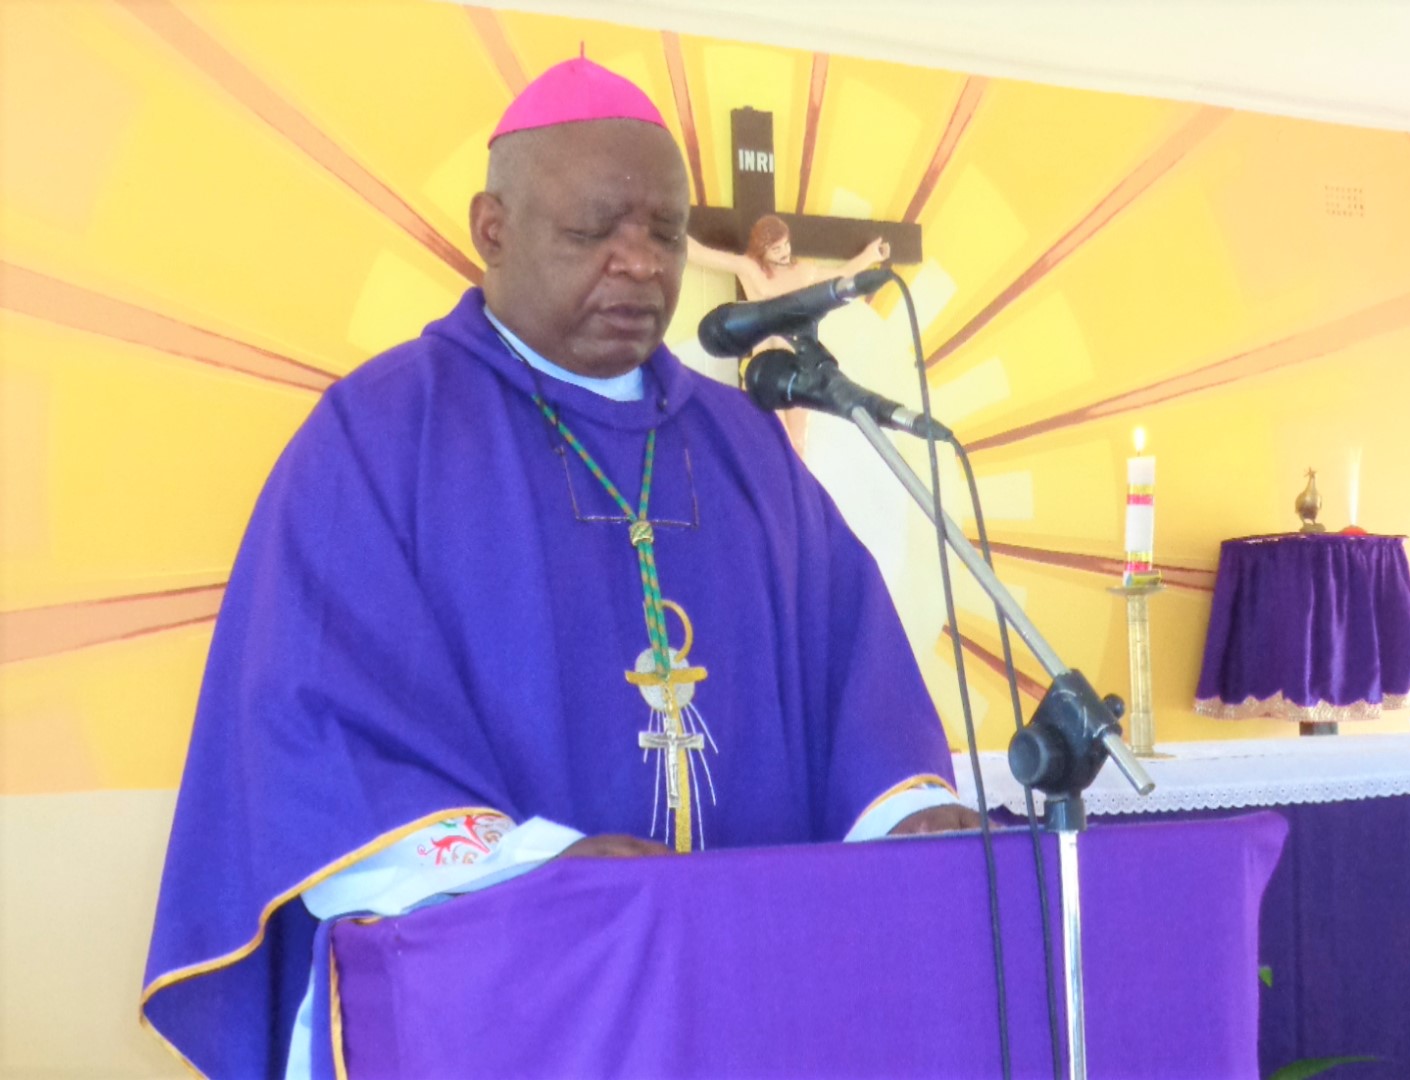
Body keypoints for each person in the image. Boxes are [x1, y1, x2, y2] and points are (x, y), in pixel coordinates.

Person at [141, 57, 969, 1079]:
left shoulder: (743, 444)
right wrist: (541, 866)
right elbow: (317, 732)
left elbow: (855, 669)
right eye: (593, 232)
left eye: (664, 233)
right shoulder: (380, 435)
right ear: (494, 228)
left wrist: (905, 809)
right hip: (512, 998)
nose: (639, 265)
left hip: (748, 987)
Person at [687, 214, 891, 453]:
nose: (784, 252)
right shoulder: (749, 268)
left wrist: (870, 255)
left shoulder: (803, 270)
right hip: (765, 368)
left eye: (786, 244)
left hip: (797, 364)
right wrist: (670, 230)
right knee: (772, 437)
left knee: (797, 443)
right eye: (776, 249)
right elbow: (705, 255)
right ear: (762, 250)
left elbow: (842, 276)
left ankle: (797, 486)